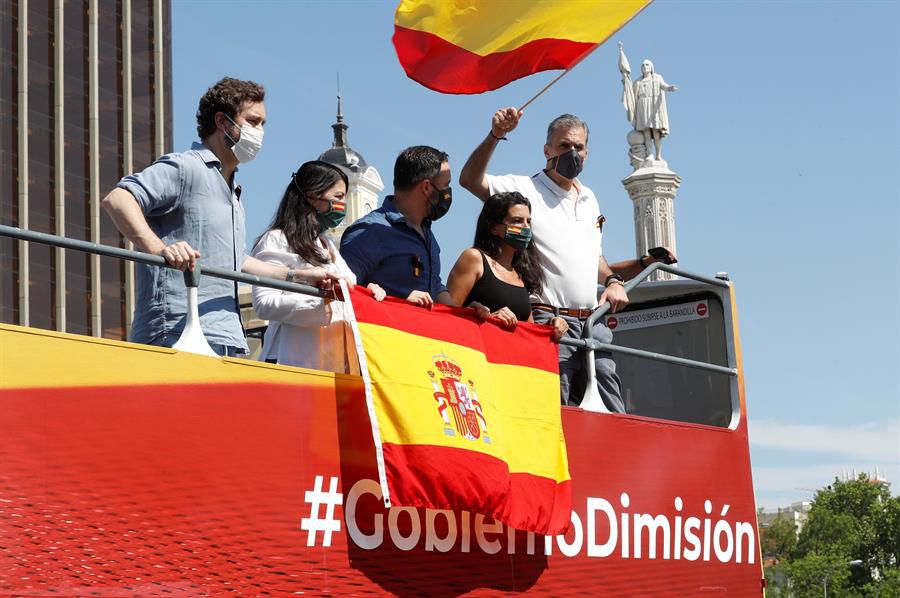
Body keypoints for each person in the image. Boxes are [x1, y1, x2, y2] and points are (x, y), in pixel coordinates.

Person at [101, 77, 337, 356]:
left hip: (228, 335)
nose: (260, 132)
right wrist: (160, 250)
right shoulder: (185, 167)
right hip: (177, 329)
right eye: (252, 121)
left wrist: (300, 276)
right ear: (223, 122)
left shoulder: (234, 190)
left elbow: (237, 260)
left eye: (263, 124)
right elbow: (119, 199)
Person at [459, 108, 674, 411]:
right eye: (564, 145)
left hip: (594, 322)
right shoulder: (524, 189)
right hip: (550, 319)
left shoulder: (590, 199)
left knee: (612, 406)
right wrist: (496, 135)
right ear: (547, 150)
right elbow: (469, 180)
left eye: (578, 146)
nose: (572, 152)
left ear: (587, 152)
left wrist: (616, 279)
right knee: (554, 405)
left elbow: (593, 259)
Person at [251, 161, 386, 373]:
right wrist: (320, 299)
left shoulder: (327, 245)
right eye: (338, 197)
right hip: (294, 363)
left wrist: (367, 293)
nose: (343, 205)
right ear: (312, 196)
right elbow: (264, 304)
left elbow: (348, 291)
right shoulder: (276, 239)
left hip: (335, 365)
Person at [341, 145, 456, 307]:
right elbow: (343, 291)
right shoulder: (369, 232)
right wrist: (399, 302)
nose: (448, 192)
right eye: (446, 184)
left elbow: (434, 287)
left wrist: (468, 314)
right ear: (426, 187)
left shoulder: (426, 232)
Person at [447, 191, 567, 342]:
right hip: (478, 351)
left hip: (510, 355)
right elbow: (446, 314)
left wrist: (550, 327)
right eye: (517, 221)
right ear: (494, 227)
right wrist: (489, 318)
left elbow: (528, 331)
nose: (526, 227)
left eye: (528, 221)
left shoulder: (521, 274)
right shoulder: (474, 258)